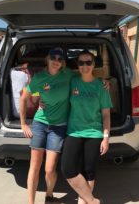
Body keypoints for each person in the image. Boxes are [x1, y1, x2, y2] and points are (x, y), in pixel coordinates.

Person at [20, 47, 74, 204]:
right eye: (53, 58)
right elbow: (24, 98)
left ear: (63, 63)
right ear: (47, 59)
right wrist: (23, 123)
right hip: (40, 124)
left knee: (50, 169)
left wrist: (103, 81)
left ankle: (49, 195)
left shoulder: (68, 75)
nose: (56, 61)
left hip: (58, 127)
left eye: (60, 59)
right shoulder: (39, 78)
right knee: (34, 166)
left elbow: (87, 76)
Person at [61, 49, 112, 204]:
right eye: (81, 62)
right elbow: (53, 85)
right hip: (74, 132)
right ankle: (92, 201)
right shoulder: (72, 81)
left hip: (94, 133)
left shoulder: (101, 86)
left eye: (88, 62)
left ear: (93, 64)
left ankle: (83, 202)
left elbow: (106, 115)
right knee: (68, 169)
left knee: (89, 170)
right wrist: (40, 99)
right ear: (77, 65)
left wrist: (106, 138)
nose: (85, 65)